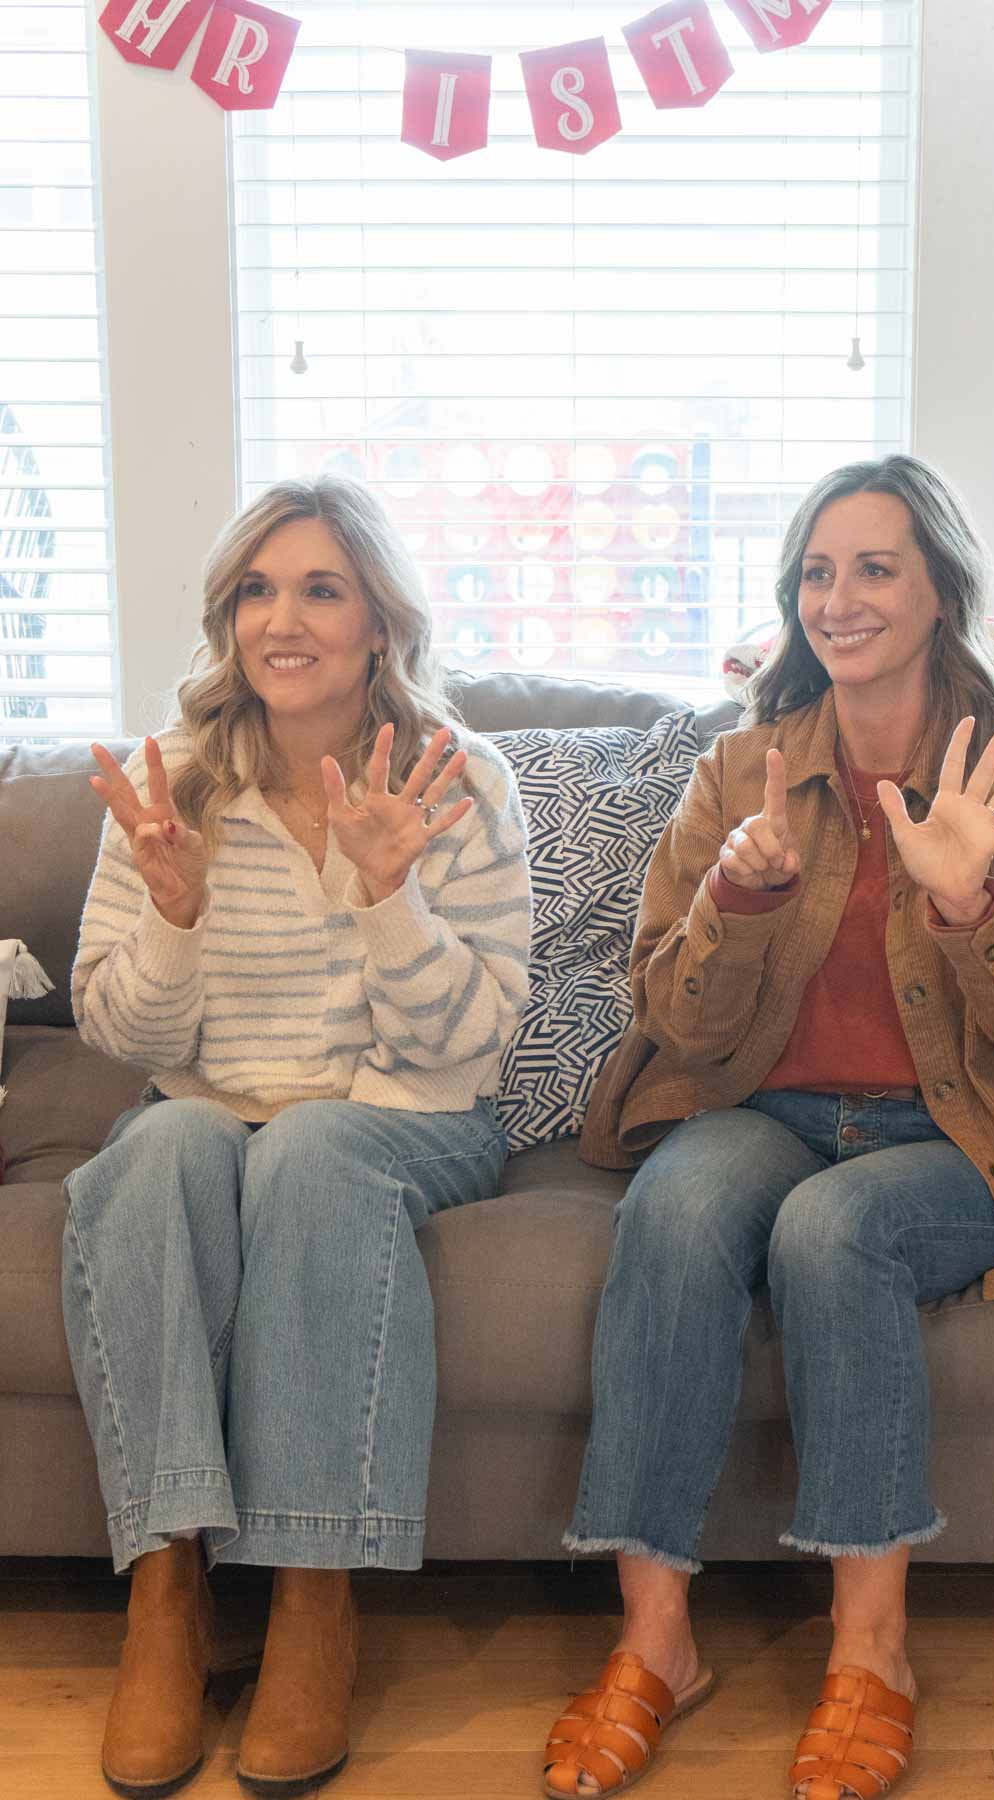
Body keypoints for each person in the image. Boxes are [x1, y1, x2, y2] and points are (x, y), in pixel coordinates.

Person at [542, 455, 994, 1800]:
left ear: (939, 594)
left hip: (968, 1136)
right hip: (773, 1109)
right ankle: (657, 1643)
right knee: (678, 1209)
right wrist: (736, 912)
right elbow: (676, 1025)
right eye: (817, 571)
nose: (840, 599)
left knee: (832, 1231)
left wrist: (976, 910)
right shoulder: (740, 774)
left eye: (876, 568)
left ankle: (872, 1653)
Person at [62, 475, 531, 1798]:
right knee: (152, 1153)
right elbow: (130, 1039)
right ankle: (167, 1589)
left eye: (322, 588)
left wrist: (390, 895)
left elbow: (468, 1044)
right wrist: (173, 912)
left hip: (401, 1121)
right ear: (227, 620)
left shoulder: (459, 777)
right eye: (259, 590)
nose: (286, 617)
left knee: (314, 1149)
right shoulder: (171, 786)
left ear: (379, 620)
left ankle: (313, 1592)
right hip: (211, 1108)